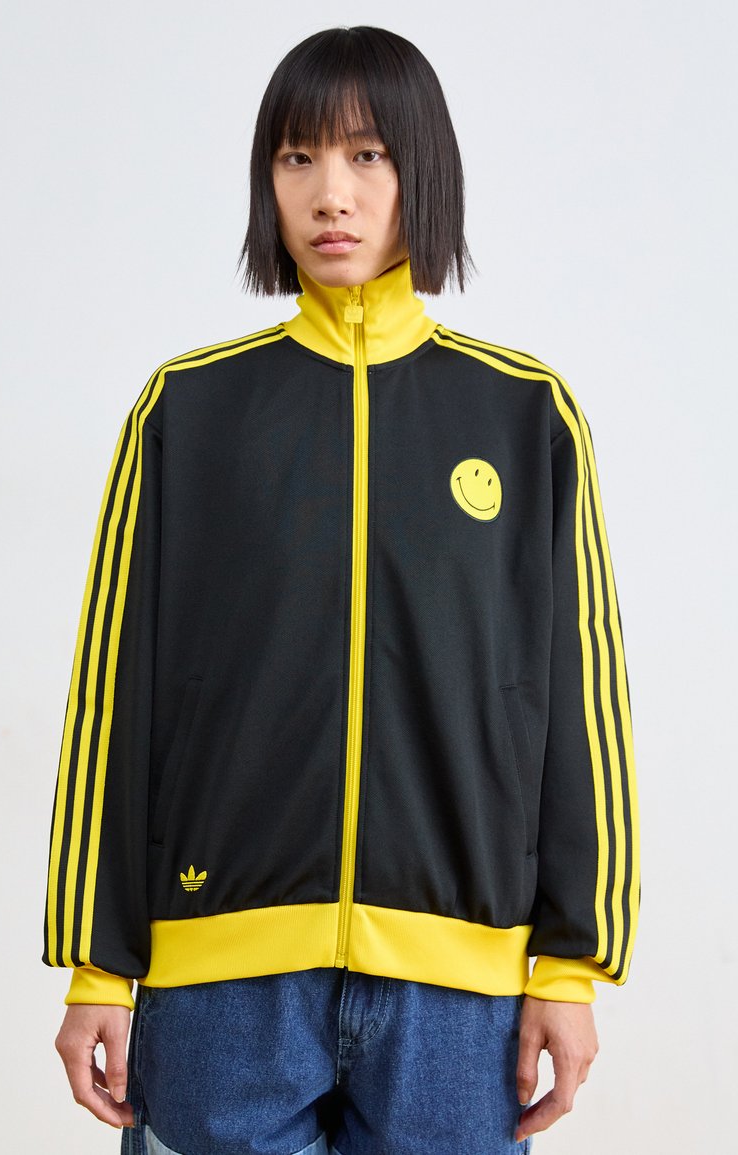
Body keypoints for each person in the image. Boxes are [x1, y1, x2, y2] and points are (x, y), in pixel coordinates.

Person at [45, 25, 639, 1155]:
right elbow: (115, 700)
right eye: (297, 157)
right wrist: (96, 966)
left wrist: (570, 965)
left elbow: (580, 709)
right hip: (221, 982)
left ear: (425, 171)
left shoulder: (525, 416)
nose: (331, 194)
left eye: (368, 155)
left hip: (457, 1001)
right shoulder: (188, 411)